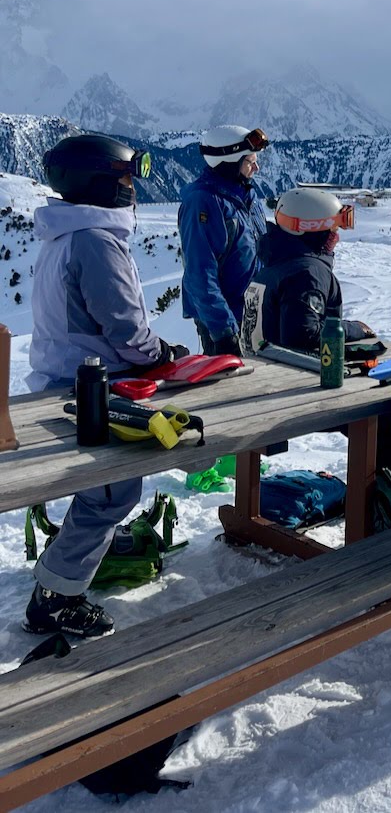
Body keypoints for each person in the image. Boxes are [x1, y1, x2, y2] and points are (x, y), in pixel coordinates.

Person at [25, 135, 189, 637]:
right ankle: (56, 596)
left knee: (104, 489)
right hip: (91, 385)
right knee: (112, 492)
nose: (132, 186)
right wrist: (163, 354)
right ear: (98, 182)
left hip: (65, 378)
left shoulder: (69, 234)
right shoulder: (95, 241)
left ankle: (67, 569)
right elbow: (123, 327)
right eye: (124, 176)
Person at [242, 187, 375, 353]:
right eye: (334, 229)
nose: (336, 237)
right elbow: (303, 336)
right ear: (315, 229)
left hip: (260, 369)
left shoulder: (273, 265)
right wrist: (353, 330)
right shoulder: (307, 274)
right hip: (291, 375)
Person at [178, 125, 269, 356]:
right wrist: (224, 331)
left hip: (252, 313)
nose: (256, 168)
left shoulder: (247, 196)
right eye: (250, 161)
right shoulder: (203, 202)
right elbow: (199, 272)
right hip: (224, 322)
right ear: (229, 162)